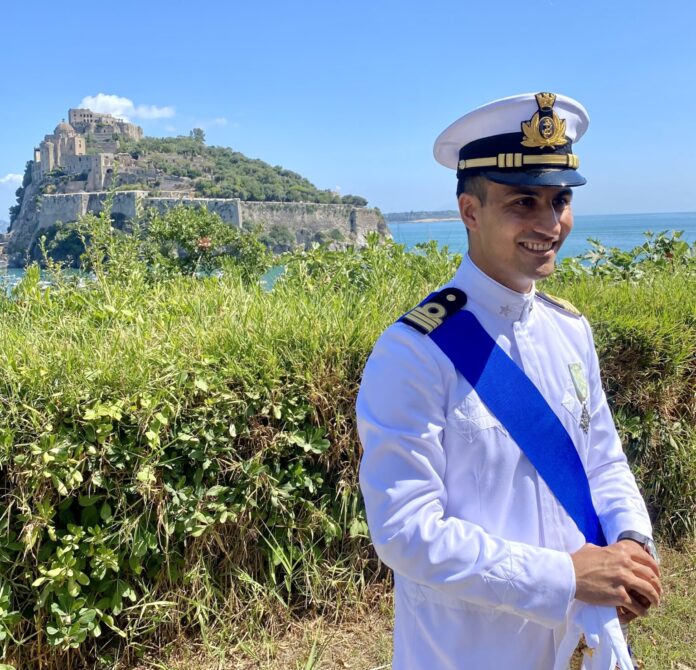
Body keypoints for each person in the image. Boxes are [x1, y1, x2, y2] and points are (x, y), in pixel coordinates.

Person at [356, 93, 662, 670]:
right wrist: (565, 576)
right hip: (474, 650)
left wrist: (630, 545)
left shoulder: (570, 330)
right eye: (524, 201)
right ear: (470, 211)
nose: (550, 224)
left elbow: (603, 460)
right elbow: (405, 530)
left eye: (561, 200)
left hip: (586, 637)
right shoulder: (413, 353)